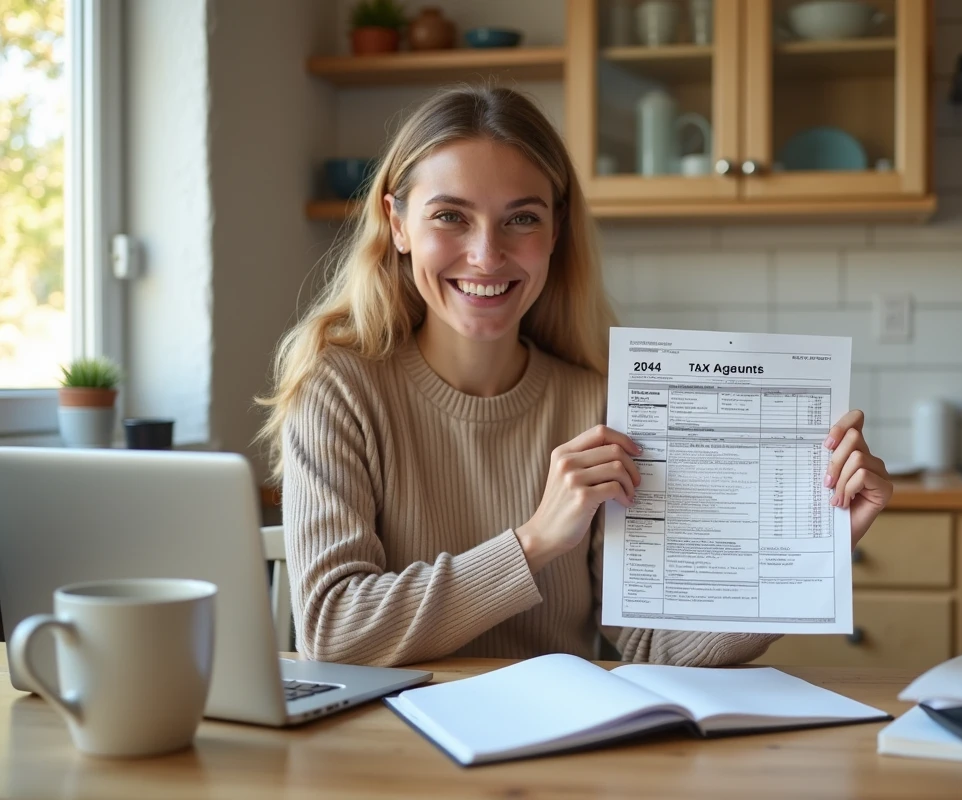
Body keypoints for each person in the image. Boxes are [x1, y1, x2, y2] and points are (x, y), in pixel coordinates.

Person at [257, 85, 893, 669]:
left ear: (556, 229)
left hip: (554, 743)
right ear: (398, 225)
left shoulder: (602, 403)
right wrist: (534, 541)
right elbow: (333, 631)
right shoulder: (338, 391)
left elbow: (654, 644)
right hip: (386, 744)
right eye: (450, 216)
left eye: (522, 218)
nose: (486, 254)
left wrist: (815, 551)